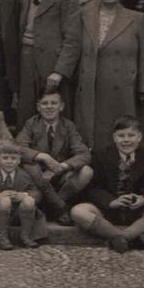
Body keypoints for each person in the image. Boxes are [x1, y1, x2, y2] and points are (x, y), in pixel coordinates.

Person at [74, 0, 144, 150]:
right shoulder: (84, 15)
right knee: (94, 135)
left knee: (123, 133)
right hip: (92, 86)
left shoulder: (136, 18)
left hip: (124, 89)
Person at [70, 116, 144, 253]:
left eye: (131, 135)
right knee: (78, 211)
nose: (126, 140)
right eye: (121, 136)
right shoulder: (101, 156)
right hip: (108, 210)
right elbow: (92, 188)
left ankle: (124, 236)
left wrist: (143, 199)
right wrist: (111, 201)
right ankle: (126, 237)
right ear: (114, 137)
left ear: (139, 137)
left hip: (137, 211)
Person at [16, 0, 82, 126]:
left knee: (55, 115)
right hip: (26, 60)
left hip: (52, 64)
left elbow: (73, 38)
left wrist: (59, 71)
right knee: (28, 112)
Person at [16, 90, 93, 225]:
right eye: (45, 103)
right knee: (30, 167)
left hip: (59, 175)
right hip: (37, 176)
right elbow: (19, 148)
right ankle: (59, 208)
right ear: (38, 107)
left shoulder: (68, 126)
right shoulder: (31, 124)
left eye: (54, 103)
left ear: (61, 106)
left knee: (87, 171)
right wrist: (43, 156)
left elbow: (84, 154)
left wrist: (63, 166)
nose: (49, 107)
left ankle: (54, 204)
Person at [0, 140, 45, 250]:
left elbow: (37, 194)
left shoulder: (25, 175)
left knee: (29, 201)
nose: (9, 162)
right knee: (4, 201)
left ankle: (26, 236)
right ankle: (2, 237)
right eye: (5, 158)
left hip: (19, 214)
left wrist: (24, 194)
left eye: (13, 158)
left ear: (19, 160)